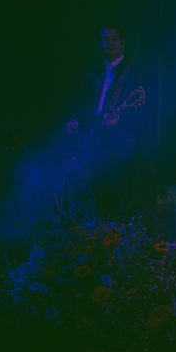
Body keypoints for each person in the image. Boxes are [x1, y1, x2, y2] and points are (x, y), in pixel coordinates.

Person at [64, 25, 152, 219]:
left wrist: (120, 120)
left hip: (122, 147)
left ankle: (118, 235)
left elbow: (143, 111)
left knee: (120, 199)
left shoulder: (136, 73)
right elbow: (86, 106)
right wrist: (75, 120)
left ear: (123, 42)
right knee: (97, 196)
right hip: (95, 143)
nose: (109, 43)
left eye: (113, 39)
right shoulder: (94, 74)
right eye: (105, 40)